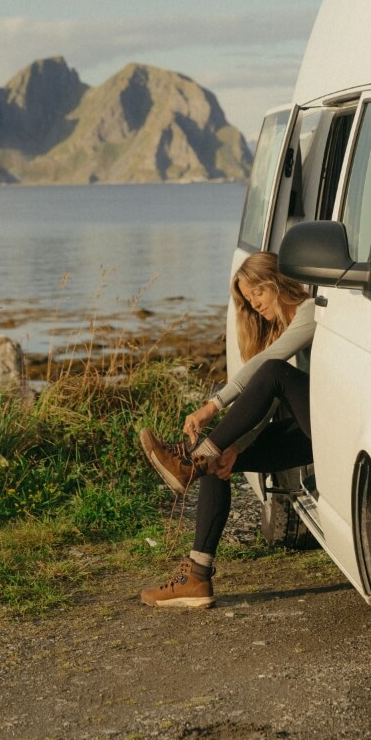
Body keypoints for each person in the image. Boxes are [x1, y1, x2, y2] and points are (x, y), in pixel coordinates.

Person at [139, 251, 316, 608]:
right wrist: (233, 446)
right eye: (248, 301)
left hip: (327, 429)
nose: (255, 305)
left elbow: (269, 369)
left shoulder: (312, 311)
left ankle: (193, 460)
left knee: (271, 372)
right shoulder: (282, 328)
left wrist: (212, 405)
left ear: (275, 283)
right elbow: (268, 407)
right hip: (303, 434)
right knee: (217, 465)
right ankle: (197, 578)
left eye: (257, 295)